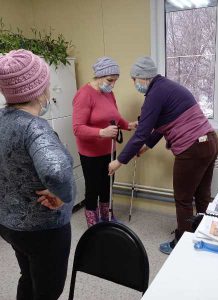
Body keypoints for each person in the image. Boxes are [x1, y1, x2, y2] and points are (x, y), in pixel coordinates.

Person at [109, 56, 218, 254]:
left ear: (143, 77)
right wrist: (147, 147)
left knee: (183, 198)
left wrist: (120, 160)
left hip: (192, 148)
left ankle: (182, 244)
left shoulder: (155, 94)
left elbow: (142, 132)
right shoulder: (167, 87)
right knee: (203, 194)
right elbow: (162, 125)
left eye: (134, 79)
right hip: (209, 142)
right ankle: (201, 233)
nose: (135, 84)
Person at [0, 49, 75, 299]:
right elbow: (57, 173)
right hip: (43, 229)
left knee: (27, 276)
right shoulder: (34, 128)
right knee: (47, 290)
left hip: (9, 224)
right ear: (40, 90)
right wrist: (62, 195)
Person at [72, 56, 137, 227]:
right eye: (110, 80)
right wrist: (101, 132)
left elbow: (114, 117)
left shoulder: (109, 93)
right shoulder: (84, 95)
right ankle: (92, 222)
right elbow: (77, 128)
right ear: (99, 76)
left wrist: (128, 125)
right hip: (90, 153)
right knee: (93, 188)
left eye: (115, 81)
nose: (112, 84)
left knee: (107, 186)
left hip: (109, 150)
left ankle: (106, 216)